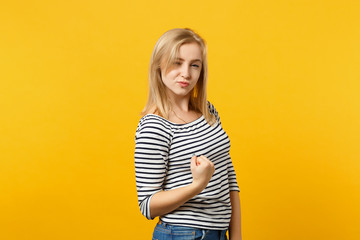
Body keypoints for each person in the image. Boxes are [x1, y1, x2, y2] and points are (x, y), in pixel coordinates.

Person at [134, 28, 242, 240]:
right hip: (182, 234)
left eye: (195, 65)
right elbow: (148, 205)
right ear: (158, 65)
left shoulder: (208, 111)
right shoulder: (154, 126)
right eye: (177, 62)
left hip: (218, 234)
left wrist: (236, 236)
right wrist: (197, 185)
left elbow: (228, 175)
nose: (186, 73)